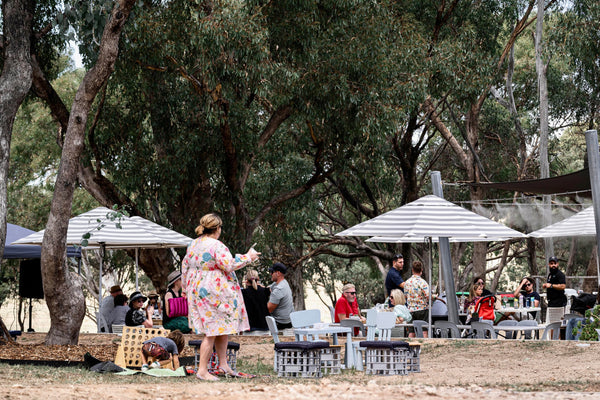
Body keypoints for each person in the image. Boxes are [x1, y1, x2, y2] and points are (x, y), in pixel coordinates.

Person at [182, 213, 260, 380]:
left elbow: (185, 266)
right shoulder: (217, 245)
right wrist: (248, 257)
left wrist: (184, 287)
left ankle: (223, 365)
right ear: (217, 228)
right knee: (211, 331)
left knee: (220, 328)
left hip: (197, 288)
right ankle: (202, 370)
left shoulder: (193, 244)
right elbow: (229, 264)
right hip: (214, 290)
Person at [404, 261, 431, 338]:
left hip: (411, 310)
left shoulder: (407, 282)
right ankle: (424, 347)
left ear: (412, 270)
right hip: (422, 309)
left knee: (411, 332)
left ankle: (408, 348)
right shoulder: (423, 283)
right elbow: (428, 296)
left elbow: (405, 296)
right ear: (421, 270)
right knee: (424, 331)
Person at [267, 262, 295, 330]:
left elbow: (268, 309)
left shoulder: (279, 289)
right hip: (289, 320)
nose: (270, 274)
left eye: (272, 272)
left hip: (281, 323)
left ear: (278, 273)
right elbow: (269, 288)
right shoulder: (284, 282)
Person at [542, 256, 567, 322]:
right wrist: (546, 285)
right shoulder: (550, 275)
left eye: (554, 263)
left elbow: (563, 286)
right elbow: (550, 285)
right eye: (551, 263)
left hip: (559, 303)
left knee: (559, 322)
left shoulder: (560, 274)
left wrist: (551, 286)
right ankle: (553, 332)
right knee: (552, 322)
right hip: (551, 302)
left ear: (557, 264)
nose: (553, 265)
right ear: (549, 264)